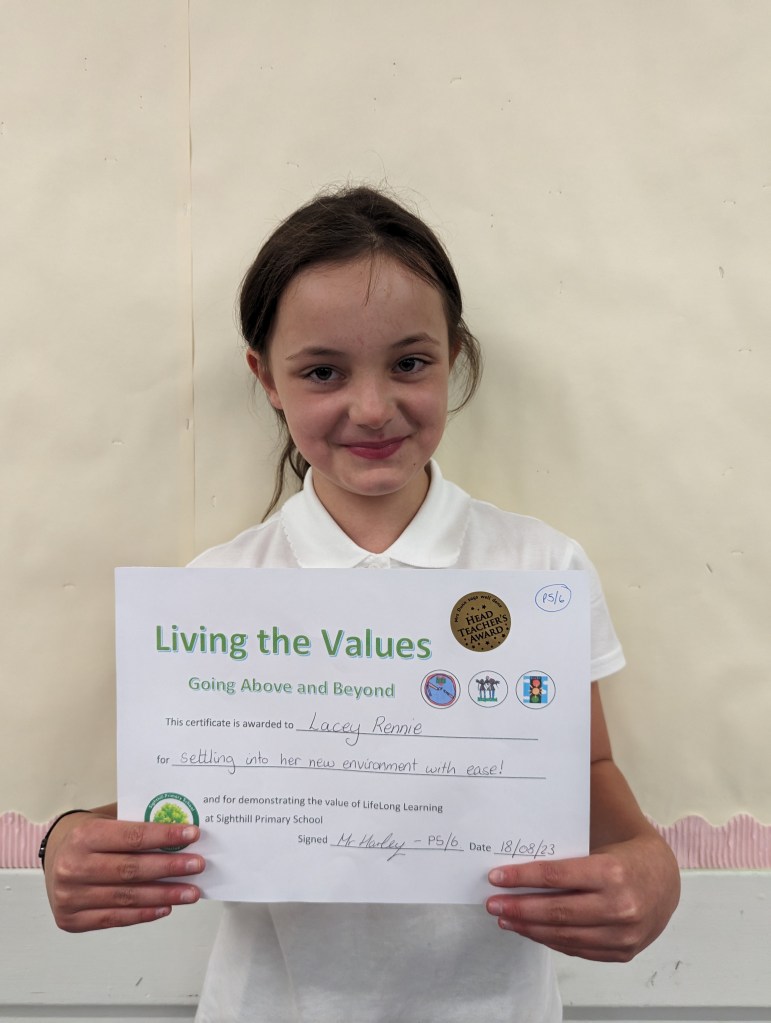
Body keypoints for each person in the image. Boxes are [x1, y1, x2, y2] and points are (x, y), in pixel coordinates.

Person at [41, 185, 680, 1022]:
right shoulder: (217, 591)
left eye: (409, 363)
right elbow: (189, 800)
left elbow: (586, 770)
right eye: (322, 372)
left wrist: (652, 868)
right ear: (266, 378)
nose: (372, 408)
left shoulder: (537, 569)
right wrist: (68, 839)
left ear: (453, 356)